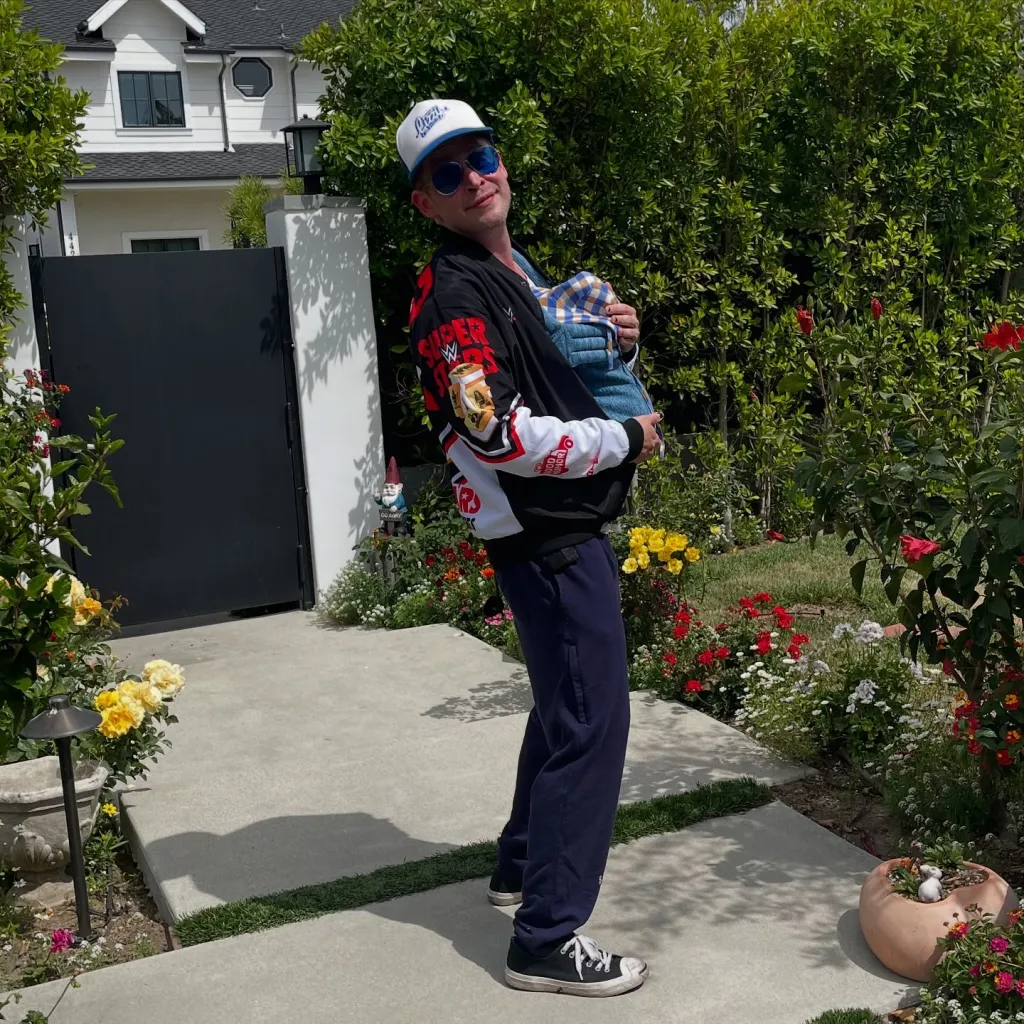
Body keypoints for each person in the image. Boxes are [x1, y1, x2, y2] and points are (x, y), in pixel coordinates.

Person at [397, 99, 661, 998]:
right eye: (446, 172)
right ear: (425, 203)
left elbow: (562, 353)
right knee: (593, 721)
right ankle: (547, 936)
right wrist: (626, 441)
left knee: (561, 706)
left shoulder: (509, 271)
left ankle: (519, 868)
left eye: (482, 155)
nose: (475, 176)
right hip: (547, 536)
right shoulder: (452, 295)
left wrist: (616, 333)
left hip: (550, 529)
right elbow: (500, 433)